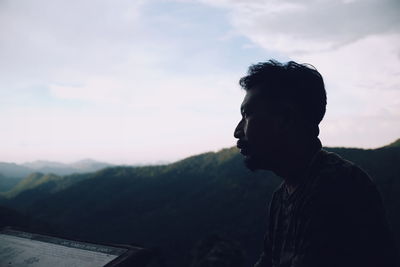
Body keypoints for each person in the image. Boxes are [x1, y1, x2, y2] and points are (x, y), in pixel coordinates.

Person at [233, 60, 398, 267]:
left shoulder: (338, 188)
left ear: (285, 118)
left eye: (246, 115)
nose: (237, 131)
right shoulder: (283, 196)